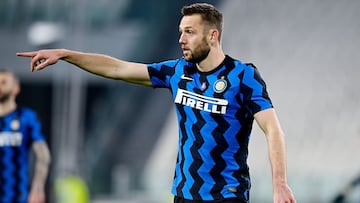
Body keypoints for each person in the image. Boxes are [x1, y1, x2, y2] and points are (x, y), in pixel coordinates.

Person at [17, 3, 296, 203]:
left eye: (190, 32)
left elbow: (273, 130)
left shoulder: (243, 76)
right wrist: (67, 54)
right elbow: (117, 69)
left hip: (226, 195)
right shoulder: (177, 72)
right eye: (180, 31)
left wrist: (279, 183)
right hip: (184, 195)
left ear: (213, 36)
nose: (181, 39)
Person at [0, 70, 51, 203]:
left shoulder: (26, 117)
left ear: (16, 88)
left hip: (16, 195)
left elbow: (42, 154)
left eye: (4, 82)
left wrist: (38, 187)